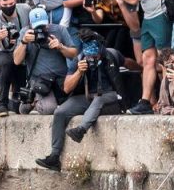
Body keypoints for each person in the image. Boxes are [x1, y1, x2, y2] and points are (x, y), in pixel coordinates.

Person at [36, 29, 122, 172]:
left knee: (98, 100)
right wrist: (79, 72)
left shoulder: (111, 54)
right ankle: (54, 156)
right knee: (60, 112)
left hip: (110, 97)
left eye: (95, 55)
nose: (92, 58)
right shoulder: (79, 59)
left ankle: (81, 130)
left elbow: (129, 64)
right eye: (89, 55)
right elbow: (66, 88)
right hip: (88, 96)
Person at [103, 0, 168, 115]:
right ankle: (145, 102)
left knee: (164, 59)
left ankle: (169, 100)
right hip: (149, 16)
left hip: (160, 14)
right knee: (147, 60)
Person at [13, 7, 80, 115]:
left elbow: (73, 54)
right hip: (39, 80)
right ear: (30, 24)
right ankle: (33, 101)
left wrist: (61, 47)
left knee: (72, 107)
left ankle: (33, 101)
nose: (41, 29)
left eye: (43, 26)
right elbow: (17, 61)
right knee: (49, 109)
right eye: (37, 27)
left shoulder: (59, 30)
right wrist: (24, 42)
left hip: (60, 78)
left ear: (48, 22)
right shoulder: (25, 32)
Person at [0, 0, 31, 116]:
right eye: (5, 5)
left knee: (20, 107)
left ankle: (3, 101)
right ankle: (2, 103)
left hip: (20, 52)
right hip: (1, 52)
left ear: (16, 0)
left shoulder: (25, 9)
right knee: (7, 63)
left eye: (11, 4)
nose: (8, 7)